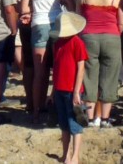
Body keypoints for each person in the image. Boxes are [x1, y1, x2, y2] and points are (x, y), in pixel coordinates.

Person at [19, 0, 66, 120]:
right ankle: (54, 104)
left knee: (40, 72)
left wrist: (27, 15)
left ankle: (37, 111)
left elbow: (24, 7)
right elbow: (69, 2)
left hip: (38, 24)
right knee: (58, 69)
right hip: (56, 23)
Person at [78, 0, 123, 127]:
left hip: (88, 36)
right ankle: (104, 119)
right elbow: (122, 22)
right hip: (111, 36)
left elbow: (78, 17)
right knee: (110, 77)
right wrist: (116, 33)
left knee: (89, 77)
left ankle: (90, 119)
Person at [52, 12, 89, 164]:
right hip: (60, 88)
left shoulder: (77, 42)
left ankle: (75, 156)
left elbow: (81, 68)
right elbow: (56, 69)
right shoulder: (58, 43)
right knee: (64, 124)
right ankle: (66, 154)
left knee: (75, 124)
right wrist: (53, 91)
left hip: (71, 90)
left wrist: (76, 92)